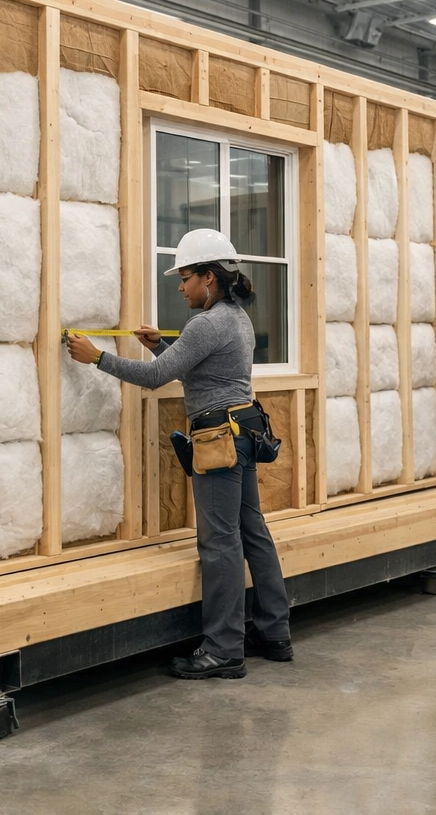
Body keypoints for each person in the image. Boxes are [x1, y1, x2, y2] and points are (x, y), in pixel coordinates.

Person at [65, 228, 292, 679]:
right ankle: (274, 632)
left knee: (219, 542)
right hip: (244, 429)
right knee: (252, 531)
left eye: (185, 277)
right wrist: (160, 347)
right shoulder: (236, 316)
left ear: (209, 277)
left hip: (219, 439)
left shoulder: (206, 324)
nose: (180, 286)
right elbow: (200, 372)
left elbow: (157, 380)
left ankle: (224, 649)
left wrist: (96, 357)